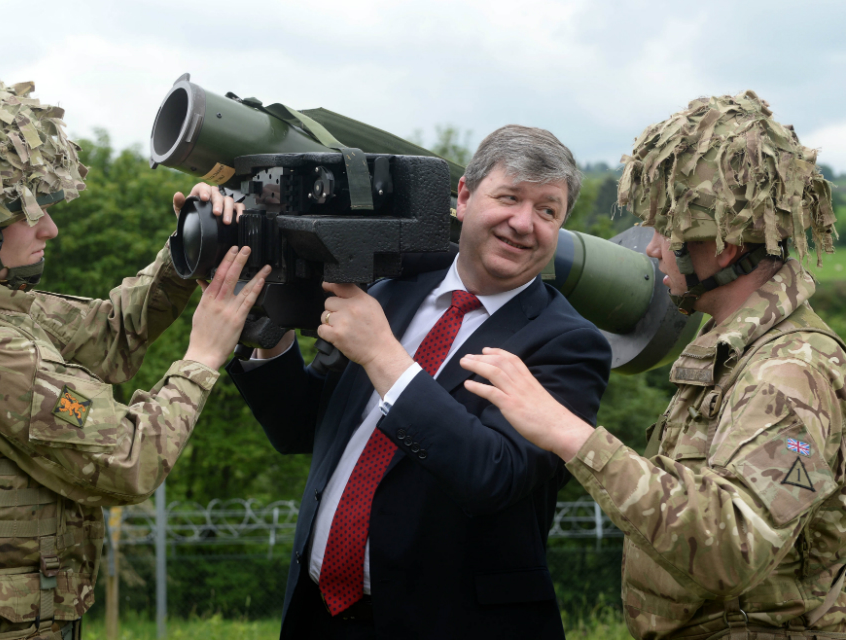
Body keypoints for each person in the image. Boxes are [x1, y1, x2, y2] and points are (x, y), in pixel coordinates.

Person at [0, 78, 268, 640]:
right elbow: (129, 459)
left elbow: (112, 334)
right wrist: (202, 356)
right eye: (28, 212)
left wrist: (188, 244)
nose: (51, 228)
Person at [461, 91, 846, 639]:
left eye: (667, 230)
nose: (652, 249)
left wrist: (568, 433)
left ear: (727, 245)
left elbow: (734, 547)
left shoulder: (787, 371)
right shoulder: (739, 353)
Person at [226, 125, 612, 639]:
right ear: (465, 197)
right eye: (509, 198)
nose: (524, 223)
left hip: (451, 624)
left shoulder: (568, 344)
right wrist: (267, 332)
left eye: (547, 210)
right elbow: (302, 428)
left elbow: (493, 477)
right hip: (318, 612)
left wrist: (384, 356)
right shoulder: (391, 281)